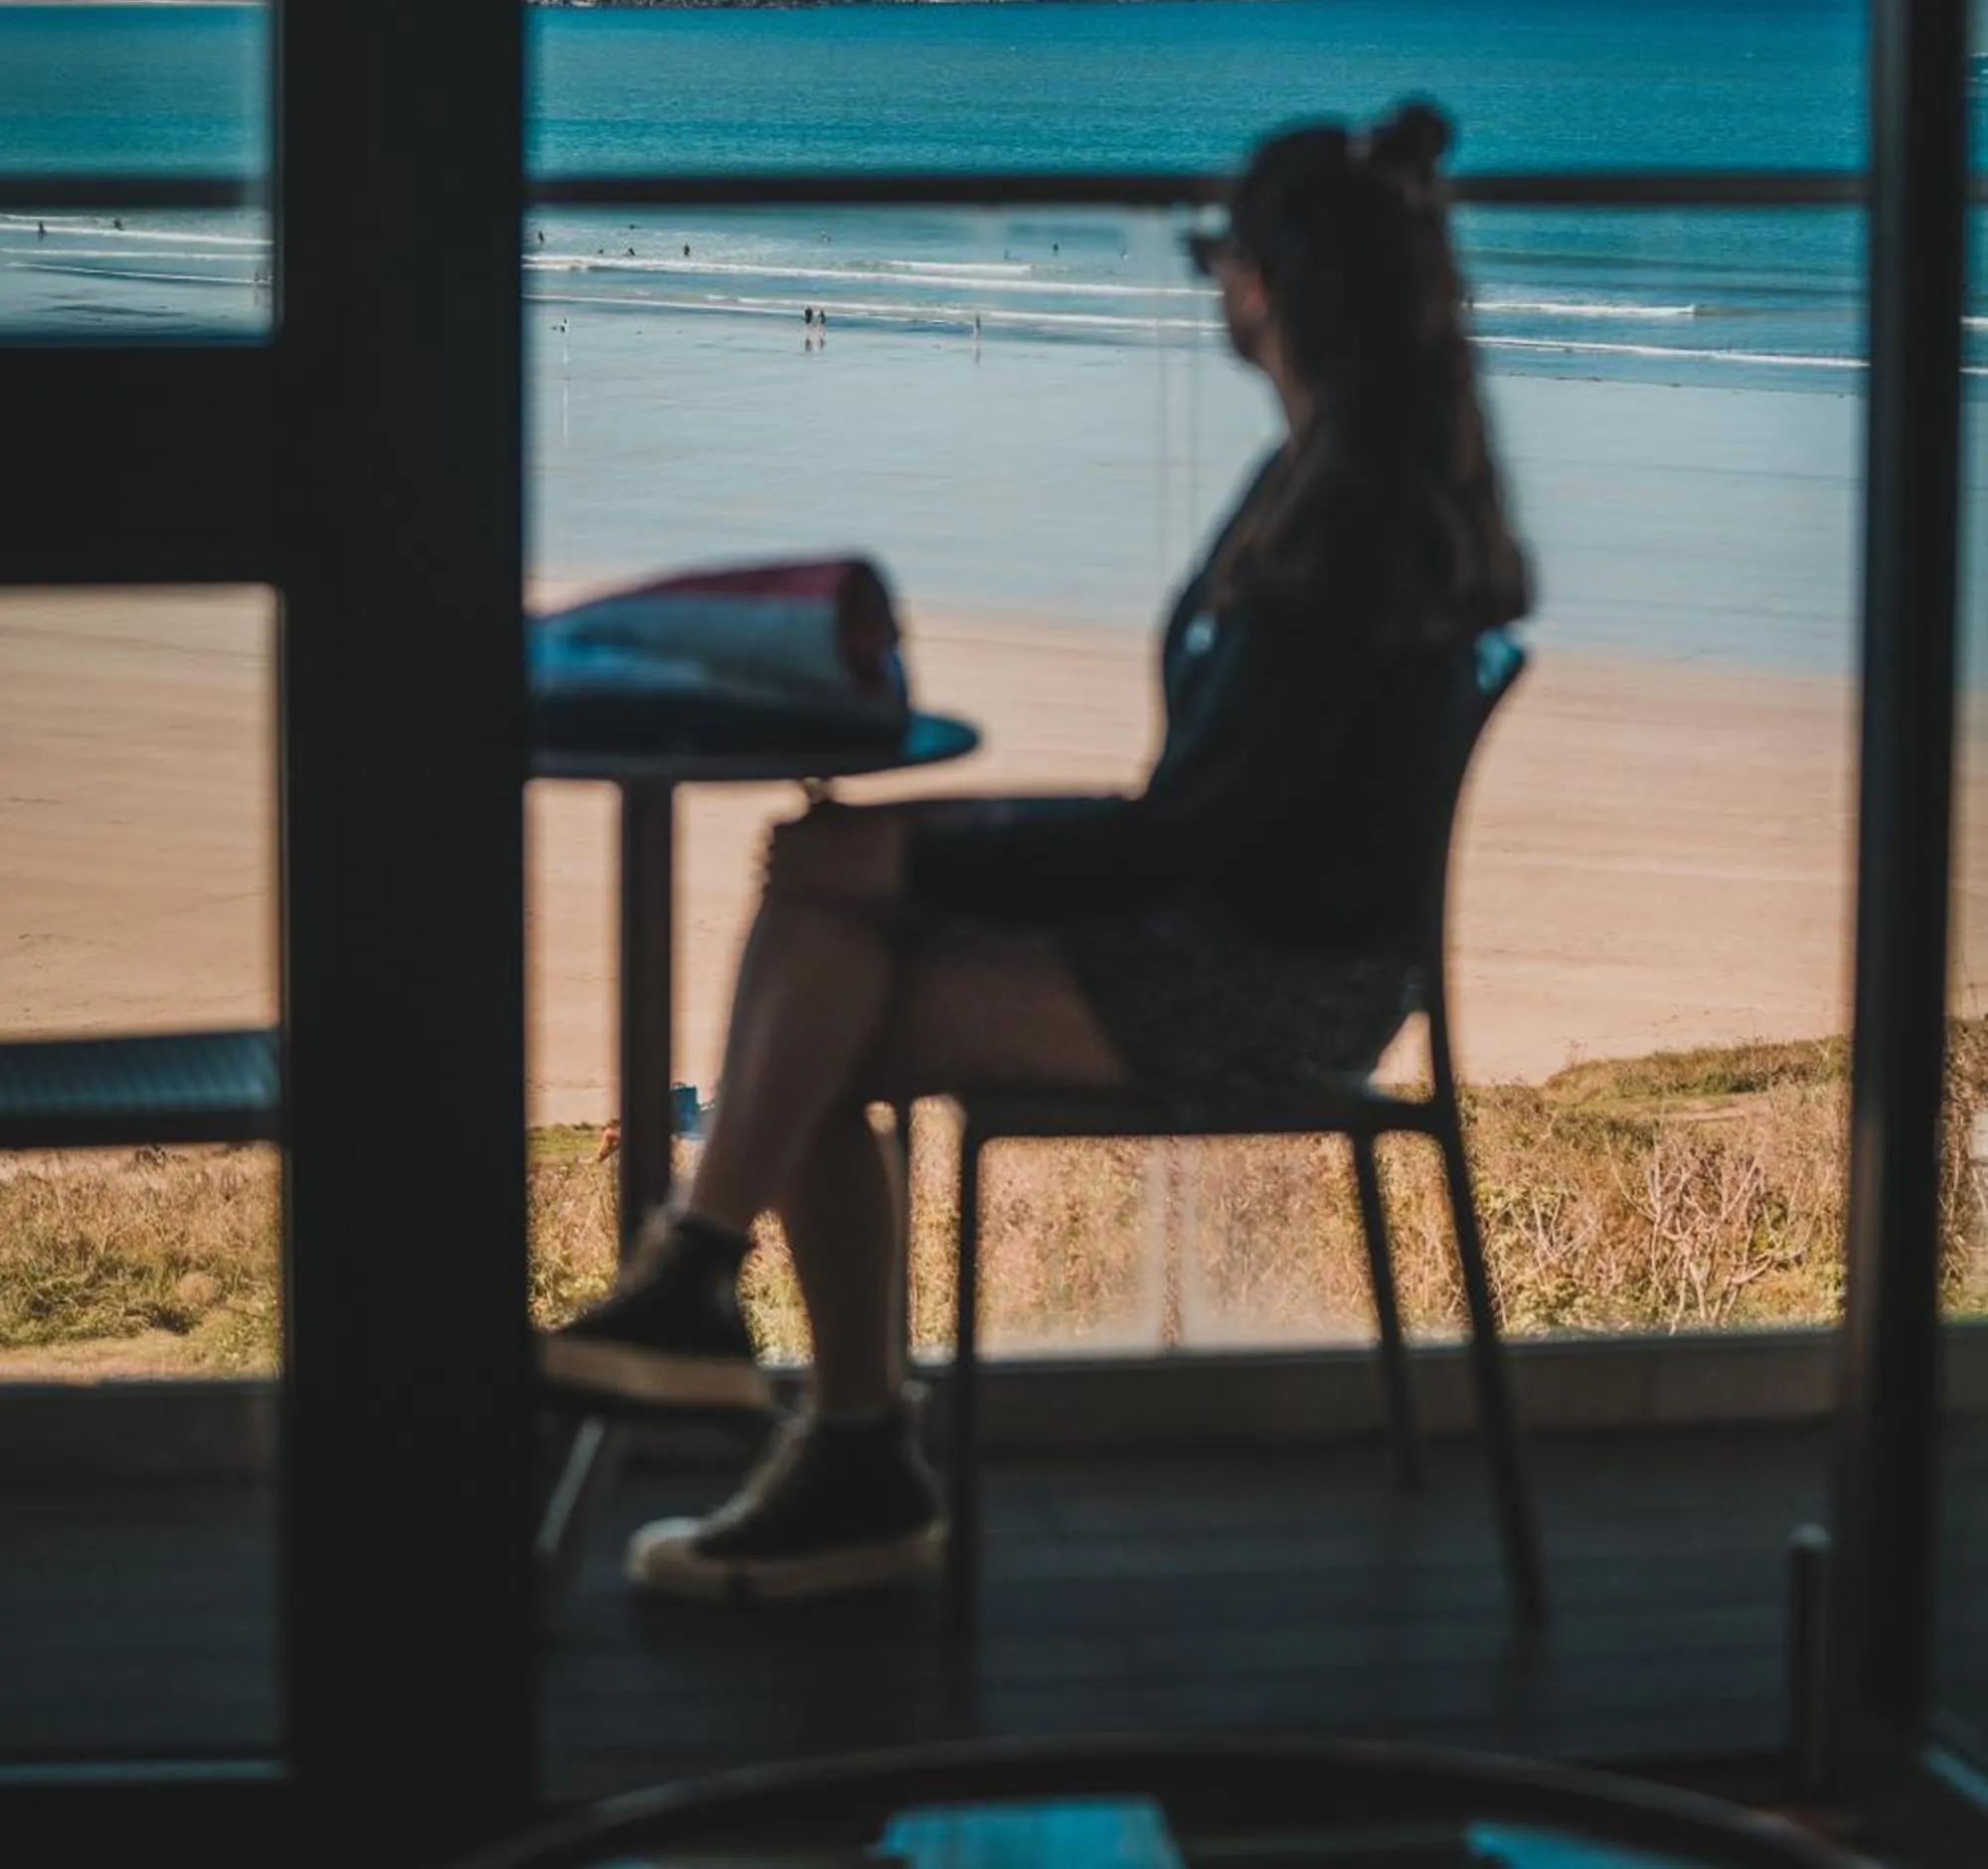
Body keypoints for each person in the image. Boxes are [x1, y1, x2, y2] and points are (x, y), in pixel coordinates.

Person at [542, 102, 1530, 1603]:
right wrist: (925, 849)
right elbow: (1197, 816)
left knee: (821, 980)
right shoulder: (1344, 480)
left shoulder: (1343, 522)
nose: (1213, 284)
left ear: (1270, 285)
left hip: (1264, 984)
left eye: (1218, 259)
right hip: (1254, 936)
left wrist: (930, 864)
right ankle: (742, 1333)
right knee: (823, 884)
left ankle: (779, 1370)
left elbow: (1182, 842)